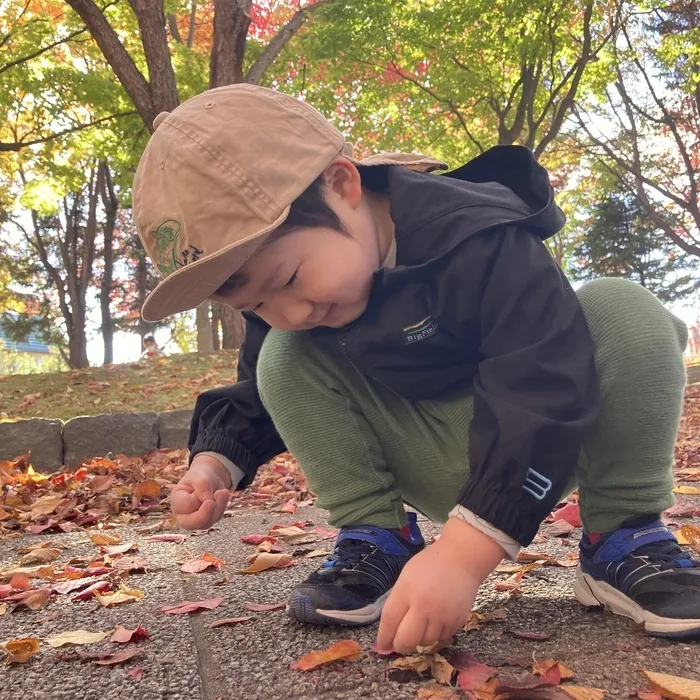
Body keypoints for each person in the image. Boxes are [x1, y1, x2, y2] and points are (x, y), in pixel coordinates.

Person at [132, 84, 698, 653]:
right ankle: (377, 538)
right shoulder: (294, 312)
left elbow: (541, 377)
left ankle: (622, 535)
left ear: (342, 184)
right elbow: (263, 385)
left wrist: (461, 554)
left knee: (625, 309)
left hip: (547, 432)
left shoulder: (477, 232)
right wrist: (213, 464)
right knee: (284, 352)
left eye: (288, 279)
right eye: (255, 306)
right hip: (419, 444)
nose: (289, 312)